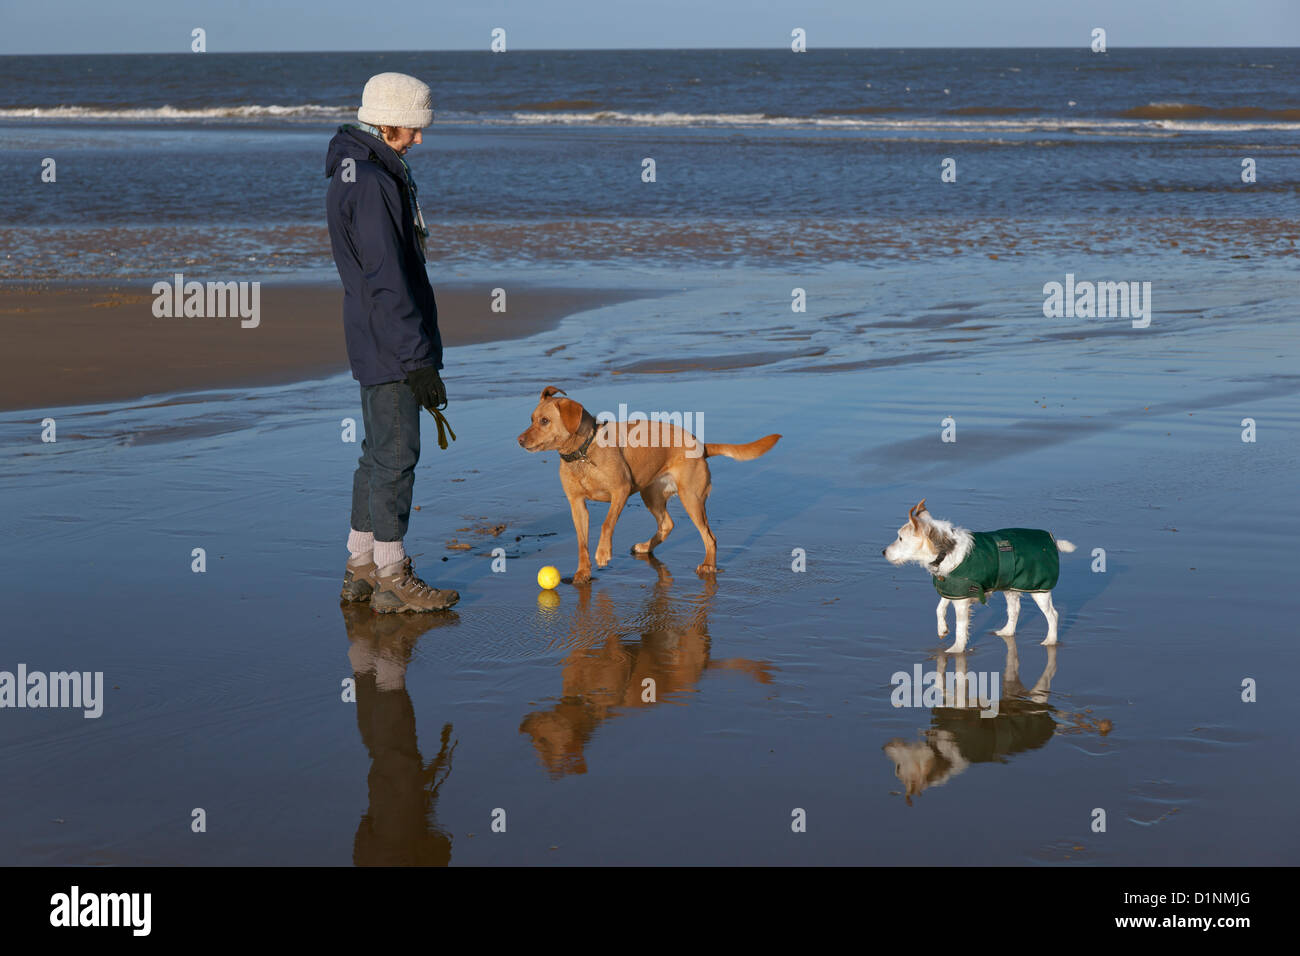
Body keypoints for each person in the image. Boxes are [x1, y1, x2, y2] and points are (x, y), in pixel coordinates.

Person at [325, 72, 458, 612]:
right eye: (412, 129)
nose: (419, 140)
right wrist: (419, 360)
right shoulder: (376, 182)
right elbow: (388, 279)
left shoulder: (354, 169)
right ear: (386, 121)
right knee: (398, 456)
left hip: (370, 335)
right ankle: (393, 575)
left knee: (376, 455)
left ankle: (361, 566)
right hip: (392, 343)